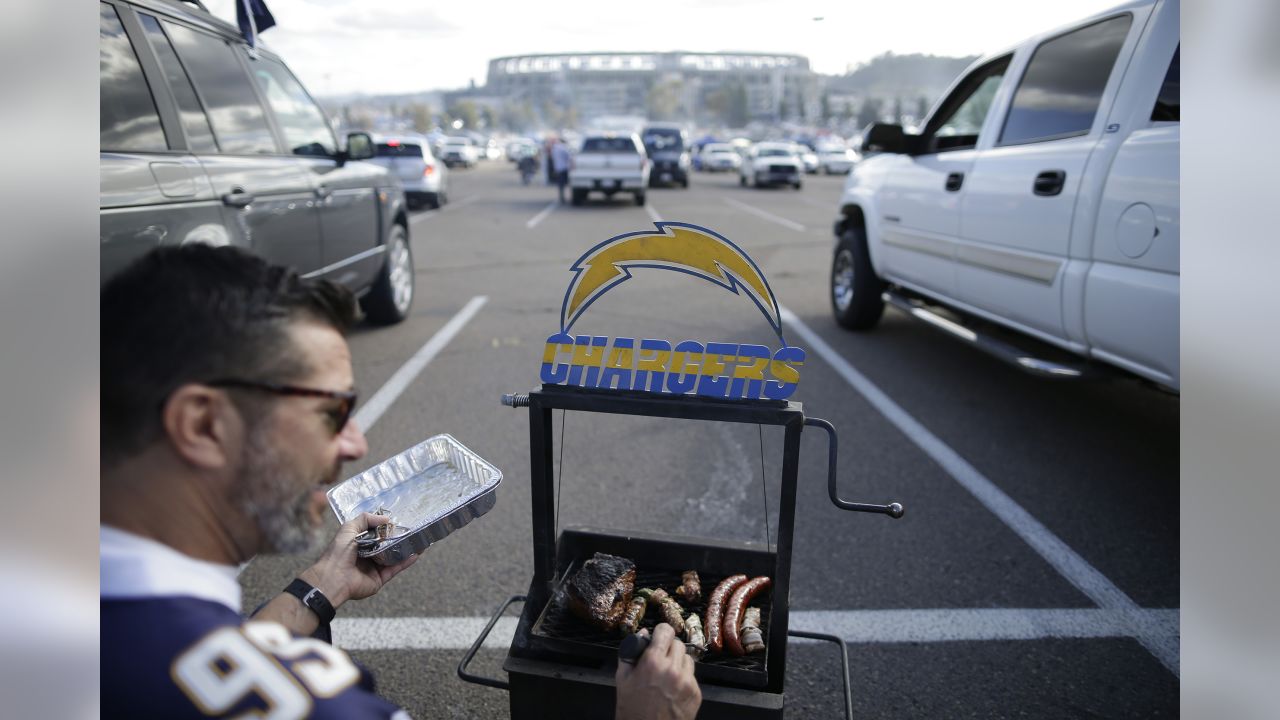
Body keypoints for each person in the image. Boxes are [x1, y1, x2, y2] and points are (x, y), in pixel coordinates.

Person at [101, 245, 701, 719]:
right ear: (203, 424)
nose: (356, 443)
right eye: (331, 412)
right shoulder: (316, 705)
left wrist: (322, 586)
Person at [550, 135, 572, 203]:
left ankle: (561, 197)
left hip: (558, 168)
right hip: (564, 168)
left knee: (560, 184)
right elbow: (569, 157)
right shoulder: (563, 148)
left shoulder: (555, 148)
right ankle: (563, 198)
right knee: (564, 183)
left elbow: (553, 158)